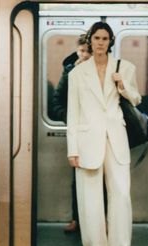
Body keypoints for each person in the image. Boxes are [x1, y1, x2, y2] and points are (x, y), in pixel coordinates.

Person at [67, 22, 142, 246]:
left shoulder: (125, 67)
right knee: (89, 200)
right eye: (96, 38)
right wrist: (72, 149)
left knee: (121, 195)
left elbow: (136, 99)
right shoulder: (77, 73)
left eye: (105, 38)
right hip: (87, 140)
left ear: (111, 41)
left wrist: (122, 85)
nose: (100, 42)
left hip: (116, 138)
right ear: (90, 41)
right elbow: (73, 113)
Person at [51, 34, 91, 232]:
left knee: (103, 177)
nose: (84, 55)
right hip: (78, 131)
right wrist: (71, 118)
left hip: (99, 131)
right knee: (78, 177)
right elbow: (56, 101)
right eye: (82, 51)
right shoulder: (69, 72)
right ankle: (77, 219)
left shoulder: (104, 70)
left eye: (88, 52)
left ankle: (103, 220)